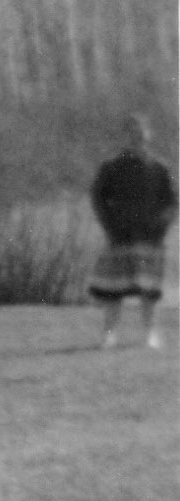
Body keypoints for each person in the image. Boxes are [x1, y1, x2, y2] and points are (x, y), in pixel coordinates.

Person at [88, 114, 177, 351]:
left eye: (141, 132)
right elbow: (98, 198)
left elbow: (172, 201)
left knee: (149, 291)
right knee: (112, 291)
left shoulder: (159, 168)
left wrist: (161, 228)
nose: (137, 137)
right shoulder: (111, 167)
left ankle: (150, 335)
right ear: (124, 136)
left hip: (150, 239)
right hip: (119, 237)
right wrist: (110, 226)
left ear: (148, 135)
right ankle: (109, 335)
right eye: (132, 133)